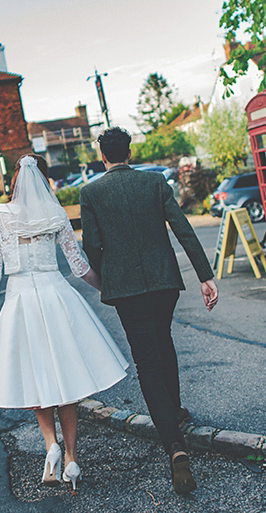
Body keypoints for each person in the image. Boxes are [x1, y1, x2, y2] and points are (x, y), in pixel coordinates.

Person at [0, 154, 128, 491]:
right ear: (45, 180)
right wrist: (109, 289)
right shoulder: (55, 214)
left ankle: (51, 446)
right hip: (55, 296)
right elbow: (78, 265)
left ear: (15, 178)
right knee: (65, 381)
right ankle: (71, 458)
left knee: (35, 378)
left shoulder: (0, 215)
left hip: (19, 302)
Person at [80, 127, 219, 496]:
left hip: (126, 290)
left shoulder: (91, 192)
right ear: (129, 152)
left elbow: (91, 247)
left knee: (146, 360)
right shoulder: (155, 183)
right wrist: (205, 276)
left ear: (103, 157)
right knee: (164, 341)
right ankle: (175, 412)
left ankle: (174, 446)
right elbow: (183, 228)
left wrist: (108, 276)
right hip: (164, 283)